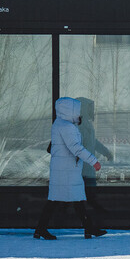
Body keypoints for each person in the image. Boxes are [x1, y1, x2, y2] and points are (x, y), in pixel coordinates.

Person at [34, 97, 107, 240]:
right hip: (66, 170)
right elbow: (76, 148)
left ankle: (88, 228)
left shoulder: (59, 124)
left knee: (72, 199)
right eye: (77, 111)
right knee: (63, 200)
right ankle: (41, 229)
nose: (79, 114)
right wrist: (94, 161)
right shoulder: (67, 127)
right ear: (69, 111)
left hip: (65, 169)